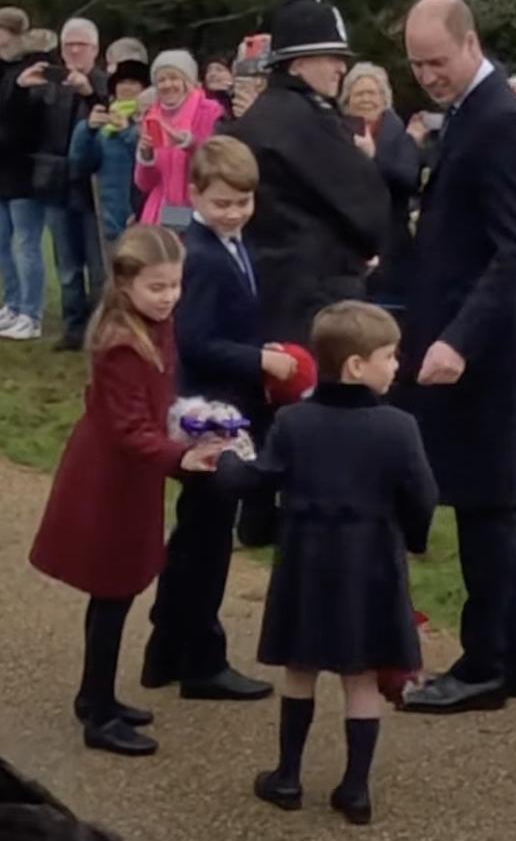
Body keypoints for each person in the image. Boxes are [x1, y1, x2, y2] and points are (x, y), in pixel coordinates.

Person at [216, 300, 437, 825]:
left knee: (301, 668)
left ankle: (287, 777)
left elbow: (258, 479)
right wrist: (413, 539)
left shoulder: (294, 421)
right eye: (389, 355)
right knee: (361, 676)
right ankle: (355, 790)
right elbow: (423, 495)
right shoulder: (399, 426)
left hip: (306, 560)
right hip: (373, 561)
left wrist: (225, 459)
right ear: (356, 366)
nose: (397, 364)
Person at [400, 0, 516, 713]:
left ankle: (487, 663)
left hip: (485, 353)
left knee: (488, 508)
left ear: (471, 42)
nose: (427, 75)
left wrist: (458, 338)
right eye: (416, 63)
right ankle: (510, 659)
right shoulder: (467, 113)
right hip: (466, 340)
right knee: (493, 509)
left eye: (437, 60)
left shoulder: (502, 121)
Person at [29, 225, 222, 757]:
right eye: (157, 288)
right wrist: (181, 455)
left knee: (116, 592)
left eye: (175, 285)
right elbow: (128, 427)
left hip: (130, 477)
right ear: (125, 284)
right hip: (109, 482)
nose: (169, 297)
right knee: (112, 593)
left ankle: (97, 699)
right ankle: (97, 709)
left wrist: (185, 425)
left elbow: (152, 406)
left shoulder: (154, 327)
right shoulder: (120, 343)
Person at [141, 136, 278, 701]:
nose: (234, 212)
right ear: (194, 193)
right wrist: (260, 359)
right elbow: (195, 342)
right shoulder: (197, 254)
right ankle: (202, 658)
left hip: (229, 407)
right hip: (207, 415)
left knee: (197, 530)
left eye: (243, 202)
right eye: (222, 202)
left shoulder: (232, 246)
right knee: (208, 538)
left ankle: (166, 649)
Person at [227, 0, 390, 344]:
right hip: (316, 300)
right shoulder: (307, 121)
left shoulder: (260, 116)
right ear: (298, 63)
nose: (341, 67)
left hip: (271, 295)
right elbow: (369, 207)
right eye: (331, 56)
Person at [16, 17, 108, 351]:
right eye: (67, 45)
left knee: (98, 266)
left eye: (79, 45)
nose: (72, 51)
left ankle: (98, 329)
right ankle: (73, 328)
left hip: (92, 186)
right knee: (67, 265)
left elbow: (113, 121)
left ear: (95, 49)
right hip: (55, 184)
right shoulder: (50, 84)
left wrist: (89, 93)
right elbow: (24, 128)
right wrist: (21, 90)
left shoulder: (104, 82)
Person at [339, 61, 421, 301]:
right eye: (359, 93)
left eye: (372, 93)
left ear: (384, 99)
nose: (366, 99)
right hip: (346, 245)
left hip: (392, 248)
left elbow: (407, 180)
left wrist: (373, 158)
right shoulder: (333, 134)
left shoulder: (401, 139)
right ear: (347, 100)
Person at [0, 8, 49, 341]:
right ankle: (13, 303)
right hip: (2, 168)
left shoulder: (31, 68)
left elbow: (26, 120)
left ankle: (32, 313)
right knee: (2, 242)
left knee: (26, 243)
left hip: (24, 168)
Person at [135, 49, 223, 226]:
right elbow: (144, 184)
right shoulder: (152, 116)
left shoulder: (210, 111)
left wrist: (188, 143)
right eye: (161, 80)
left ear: (187, 81)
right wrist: (146, 155)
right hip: (161, 213)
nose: (167, 85)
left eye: (174, 78)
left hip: (198, 208)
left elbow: (216, 162)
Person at [69, 59, 149, 246]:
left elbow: (148, 159)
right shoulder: (105, 127)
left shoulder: (151, 119)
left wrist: (127, 132)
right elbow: (80, 163)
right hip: (110, 220)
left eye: (133, 82)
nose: (127, 88)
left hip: (146, 217)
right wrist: (86, 130)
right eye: (122, 82)